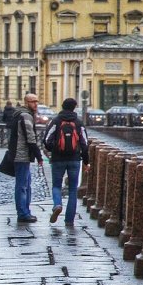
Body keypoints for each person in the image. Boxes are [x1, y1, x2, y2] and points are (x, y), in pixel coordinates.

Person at [43, 97, 90, 226]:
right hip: (75, 159)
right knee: (73, 190)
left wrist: (55, 150)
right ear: (74, 107)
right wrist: (86, 162)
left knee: (56, 186)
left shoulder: (56, 121)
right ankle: (69, 221)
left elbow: (46, 140)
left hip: (58, 159)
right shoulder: (78, 122)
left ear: (62, 106)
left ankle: (57, 205)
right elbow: (85, 144)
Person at [12, 93, 42, 223]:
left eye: (36, 101)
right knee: (23, 186)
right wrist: (39, 156)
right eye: (32, 102)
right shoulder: (25, 116)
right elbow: (30, 138)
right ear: (26, 102)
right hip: (22, 155)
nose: (35, 104)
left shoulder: (22, 114)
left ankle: (25, 211)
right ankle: (23, 213)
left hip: (21, 154)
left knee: (25, 185)